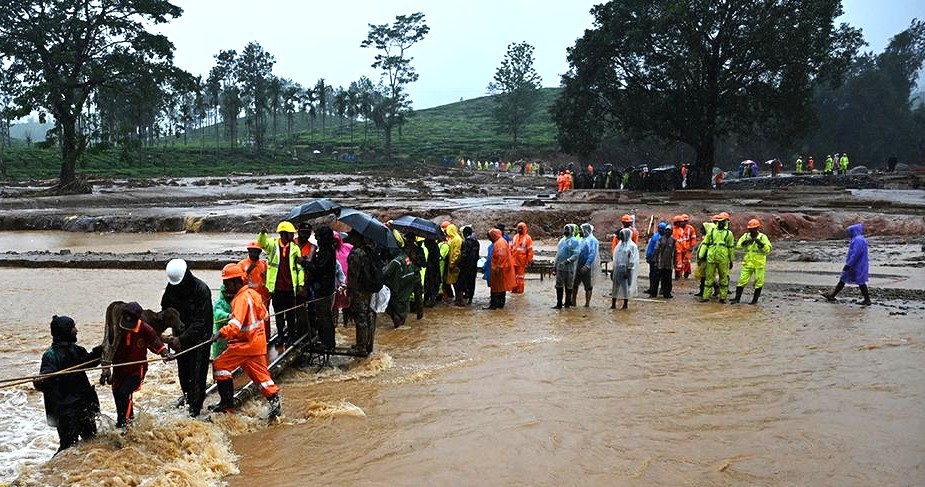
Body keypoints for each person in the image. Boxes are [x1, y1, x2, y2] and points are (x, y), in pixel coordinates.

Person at [210, 264, 281, 419]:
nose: (225, 286)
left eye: (227, 282)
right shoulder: (254, 294)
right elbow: (264, 315)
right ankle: (275, 405)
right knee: (263, 378)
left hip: (244, 344)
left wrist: (220, 333)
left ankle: (226, 405)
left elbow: (235, 326)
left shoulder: (240, 299)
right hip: (257, 343)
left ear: (236, 282)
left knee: (220, 365)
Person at [34, 315, 103, 453]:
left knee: (91, 442)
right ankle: (54, 472)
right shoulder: (50, 355)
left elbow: (90, 362)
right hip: (66, 410)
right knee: (67, 448)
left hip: (83, 404)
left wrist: (101, 350)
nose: (76, 330)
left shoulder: (77, 350)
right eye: (73, 328)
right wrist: (40, 380)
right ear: (65, 331)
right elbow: (46, 381)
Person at [161, 258, 212, 418]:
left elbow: (201, 322)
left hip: (199, 340)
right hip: (179, 339)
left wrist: (181, 339)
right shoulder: (171, 290)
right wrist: (165, 338)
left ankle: (195, 412)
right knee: (183, 375)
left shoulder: (201, 289)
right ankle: (189, 401)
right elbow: (166, 312)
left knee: (196, 376)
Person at [110, 302, 173, 429]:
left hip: (136, 370)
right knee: (118, 394)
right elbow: (108, 346)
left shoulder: (145, 329)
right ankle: (125, 420)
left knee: (124, 393)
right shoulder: (117, 327)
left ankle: (125, 425)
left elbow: (155, 342)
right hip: (119, 370)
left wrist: (165, 353)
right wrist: (105, 367)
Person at [257, 221, 304, 346]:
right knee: (278, 315)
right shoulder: (272, 245)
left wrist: (301, 284)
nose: (293, 236)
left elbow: (299, 268)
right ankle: (281, 336)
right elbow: (262, 243)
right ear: (283, 234)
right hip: (276, 287)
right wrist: (262, 233)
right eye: (290, 234)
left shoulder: (295, 248)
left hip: (290, 287)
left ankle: (291, 337)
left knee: (290, 314)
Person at [302, 226, 339, 349]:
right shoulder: (327, 249)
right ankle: (326, 341)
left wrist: (304, 263)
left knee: (324, 317)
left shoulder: (326, 251)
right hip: (326, 287)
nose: (316, 239)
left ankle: (327, 344)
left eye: (318, 236)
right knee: (324, 316)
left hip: (324, 289)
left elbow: (318, 270)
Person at [821, 223, 871, 306]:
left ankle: (867, 300)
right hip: (856, 263)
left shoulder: (858, 240)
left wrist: (849, 264)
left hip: (857, 264)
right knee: (844, 278)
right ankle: (832, 295)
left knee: (860, 281)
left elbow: (856, 254)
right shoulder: (858, 239)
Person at [346, 231, 378, 355]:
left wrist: (350, 289)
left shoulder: (356, 253)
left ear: (357, 238)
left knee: (360, 317)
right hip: (367, 288)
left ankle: (361, 346)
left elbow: (353, 275)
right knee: (367, 316)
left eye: (352, 237)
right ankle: (367, 344)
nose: (350, 239)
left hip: (358, 290)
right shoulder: (368, 251)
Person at [731, 219, 772, 304]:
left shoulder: (762, 237)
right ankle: (737, 299)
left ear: (757, 228)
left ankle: (754, 301)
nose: (751, 230)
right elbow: (738, 246)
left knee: (758, 281)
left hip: (759, 263)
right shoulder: (746, 236)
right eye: (750, 229)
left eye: (753, 228)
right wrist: (746, 242)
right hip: (748, 262)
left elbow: (768, 250)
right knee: (742, 280)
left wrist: (761, 244)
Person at [383, 233, 419, 327]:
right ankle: (400, 323)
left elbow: (385, 273)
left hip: (398, 286)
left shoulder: (396, 261)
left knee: (392, 306)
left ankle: (397, 324)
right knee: (403, 305)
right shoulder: (405, 257)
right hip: (407, 284)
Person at [699, 213, 735, 303]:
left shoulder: (728, 233)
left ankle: (723, 297)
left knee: (723, 278)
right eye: (720, 221)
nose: (721, 223)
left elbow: (731, 247)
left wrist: (731, 260)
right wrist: (701, 255)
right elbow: (705, 244)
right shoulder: (711, 232)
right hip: (711, 258)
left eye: (723, 221)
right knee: (709, 278)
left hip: (723, 259)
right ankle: (706, 296)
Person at [239, 242, 271, 317]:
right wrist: (248, 271)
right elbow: (239, 282)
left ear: (259, 253)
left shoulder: (264, 264)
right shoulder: (241, 264)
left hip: (263, 299)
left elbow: (268, 281)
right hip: (248, 298)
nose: (253, 254)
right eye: (251, 252)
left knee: (265, 319)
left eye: (255, 252)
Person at [486, 228, 516, 309]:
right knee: (502, 287)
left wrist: (498, 268)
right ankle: (500, 304)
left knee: (496, 288)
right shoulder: (501, 241)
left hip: (499, 269)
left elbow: (501, 257)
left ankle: (494, 305)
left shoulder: (499, 243)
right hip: (502, 268)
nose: (489, 239)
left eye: (490, 237)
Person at [552, 224, 581, 309]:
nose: (565, 231)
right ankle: (559, 304)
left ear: (571, 231)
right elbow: (558, 254)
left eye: (567, 229)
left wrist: (568, 261)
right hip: (560, 267)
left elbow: (576, 254)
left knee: (569, 286)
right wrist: (554, 265)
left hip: (569, 268)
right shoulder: (562, 241)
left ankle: (567, 304)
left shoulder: (575, 241)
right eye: (565, 229)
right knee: (558, 286)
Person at [610, 228, 640, 309]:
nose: (621, 237)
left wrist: (628, 270)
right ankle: (613, 303)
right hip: (617, 268)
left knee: (625, 287)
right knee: (615, 286)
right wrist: (613, 269)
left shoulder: (632, 246)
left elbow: (632, 260)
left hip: (625, 269)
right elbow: (615, 258)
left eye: (622, 235)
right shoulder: (619, 245)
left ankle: (625, 304)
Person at [573, 223, 600, 307]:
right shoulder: (582, 239)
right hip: (578, 264)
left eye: (581, 230)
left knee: (588, 285)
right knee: (575, 283)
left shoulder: (592, 240)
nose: (580, 231)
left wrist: (587, 265)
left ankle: (587, 303)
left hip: (587, 266)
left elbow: (592, 253)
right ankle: (573, 301)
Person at [333, 231, 353, 324]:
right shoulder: (329, 253)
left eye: (336, 240)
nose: (334, 243)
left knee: (349, 305)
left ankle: (347, 325)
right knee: (334, 306)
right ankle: (336, 324)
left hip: (348, 281)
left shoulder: (348, 247)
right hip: (336, 284)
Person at [458, 225, 481, 305]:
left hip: (465, 267)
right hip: (473, 266)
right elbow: (477, 255)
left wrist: (460, 265)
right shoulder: (477, 242)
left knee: (462, 283)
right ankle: (470, 298)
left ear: (465, 234)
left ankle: (463, 298)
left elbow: (463, 256)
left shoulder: (465, 242)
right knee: (472, 283)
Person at [653, 222, 676, 298]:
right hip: (660, 263)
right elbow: (656, 251)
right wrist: (655, 261)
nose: (668, 232)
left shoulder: (673, 241)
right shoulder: (660, 239)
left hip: (669, 264)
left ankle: (667, 293)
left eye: (669, 230)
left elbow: (675, 252)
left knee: (668, 280)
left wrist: (675, 263)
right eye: (667, 230)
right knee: (656, 279)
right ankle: (654, 293)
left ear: (672, 232)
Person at [510, 221, 534, 294]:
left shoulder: (528, 238)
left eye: (521, 228)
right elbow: (511, 248)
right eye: (518, 228)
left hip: (521, 262)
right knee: (513, 277)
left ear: (524, 229)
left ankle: (520, 292)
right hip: (513, 260)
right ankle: (513, 291)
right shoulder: (515, 237)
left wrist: (530, 260)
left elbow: (530, 250)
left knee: (520, 278)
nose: (519, 230)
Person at [445, 223, 463, 305]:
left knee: (457, 283)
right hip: (453, 264)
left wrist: (452, 264)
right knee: (454, 282)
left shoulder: (457, 239)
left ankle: (459, 299)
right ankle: (457, 299)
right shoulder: (453, 239)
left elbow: (456, 253)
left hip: (455, 265)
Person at [679, 214, 698, 278]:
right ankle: (679, 274)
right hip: (679, 247)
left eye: (686, 221)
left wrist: (692, 246)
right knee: (679, 261)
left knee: (687, 261)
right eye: (683, 221)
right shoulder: (677, 228)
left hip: (687, 247)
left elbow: (693, 238)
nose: (684, 222)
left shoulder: (690, 228)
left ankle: (687, 272)